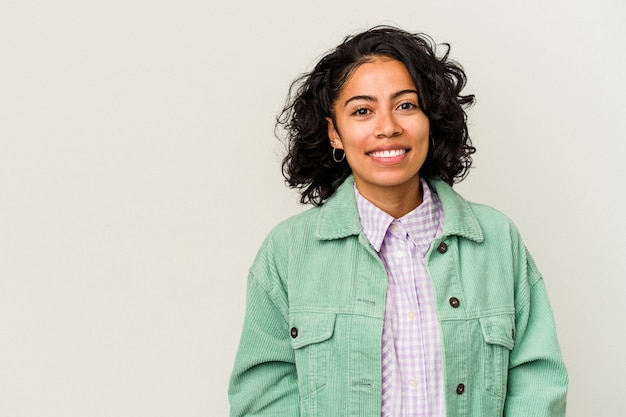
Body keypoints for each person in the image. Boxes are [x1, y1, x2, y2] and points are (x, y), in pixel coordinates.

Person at [228, 26, 568, 417]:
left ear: (431, 118)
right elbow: (265, 397)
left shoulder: (496, 239)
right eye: (362, 111)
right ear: (334, 133)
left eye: (406, 105)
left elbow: (538, 383)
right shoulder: (287, 251)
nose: (387, 126)